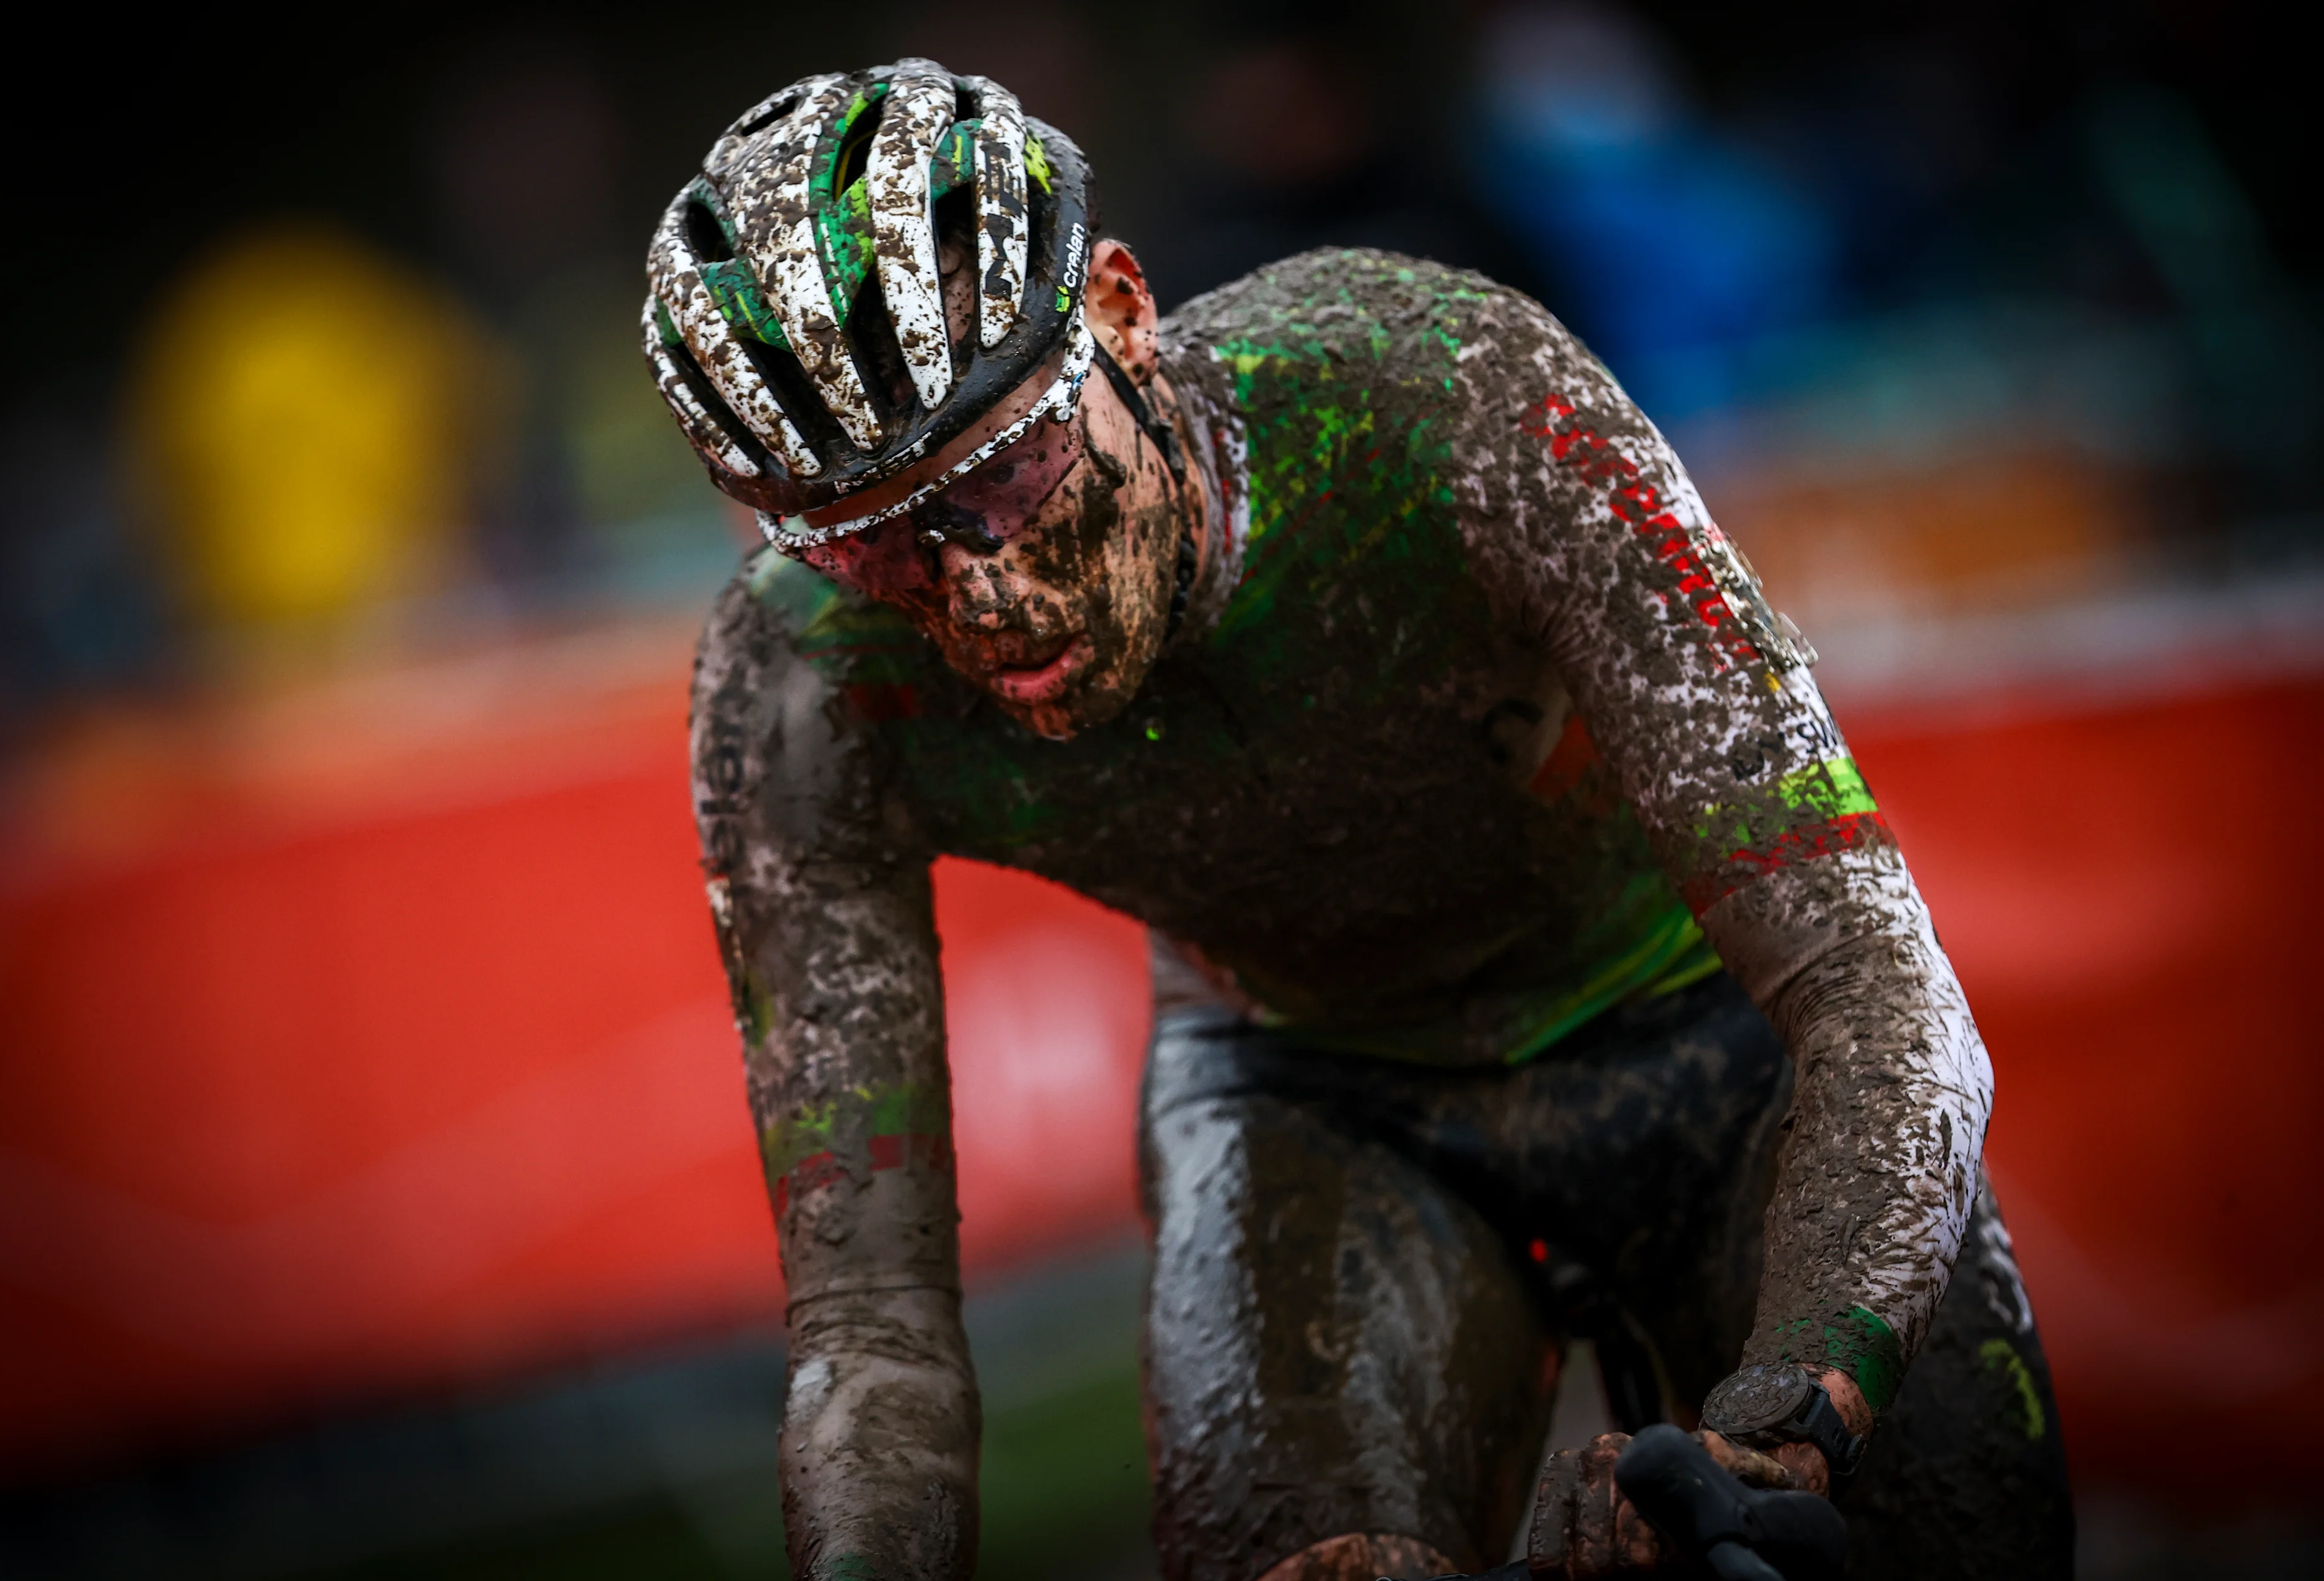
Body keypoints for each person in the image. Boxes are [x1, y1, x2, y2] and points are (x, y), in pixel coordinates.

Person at [643, 60, 2072, 1581]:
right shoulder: (790, 681)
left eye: (1006, 471)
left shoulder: (1442, 387)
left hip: (1714, 1024)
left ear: (1121, 315)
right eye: (877, 550)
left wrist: (1790, 1420)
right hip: (1319, 1095)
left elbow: (1872, 975)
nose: (981, 591)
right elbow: (869, 1324)